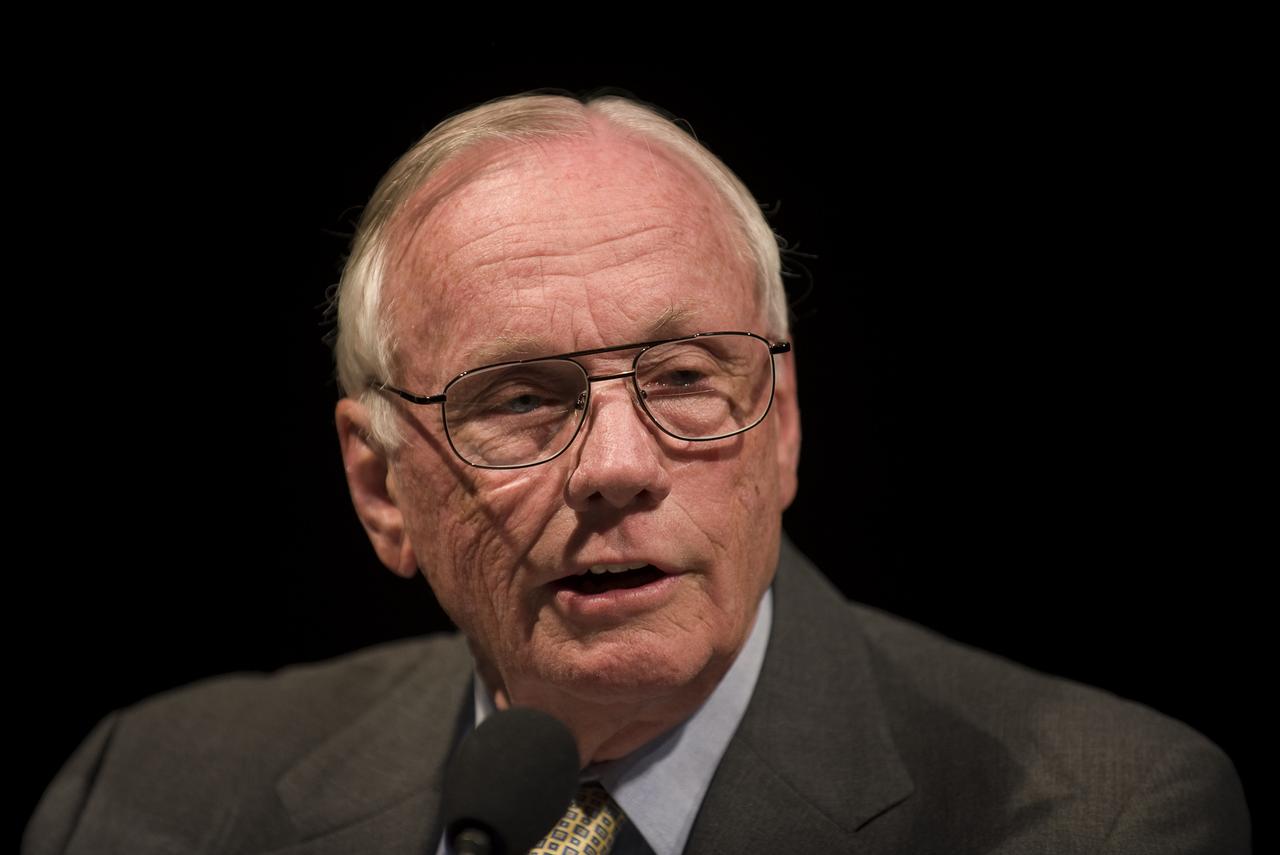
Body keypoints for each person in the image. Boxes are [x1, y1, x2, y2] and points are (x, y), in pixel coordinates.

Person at [24, 91, 1249, 855]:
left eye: (681, 379)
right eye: (517, 401)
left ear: (780, 425)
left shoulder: (1096, 817)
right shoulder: (149, 798)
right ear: (382, 489)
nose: (616, 467)